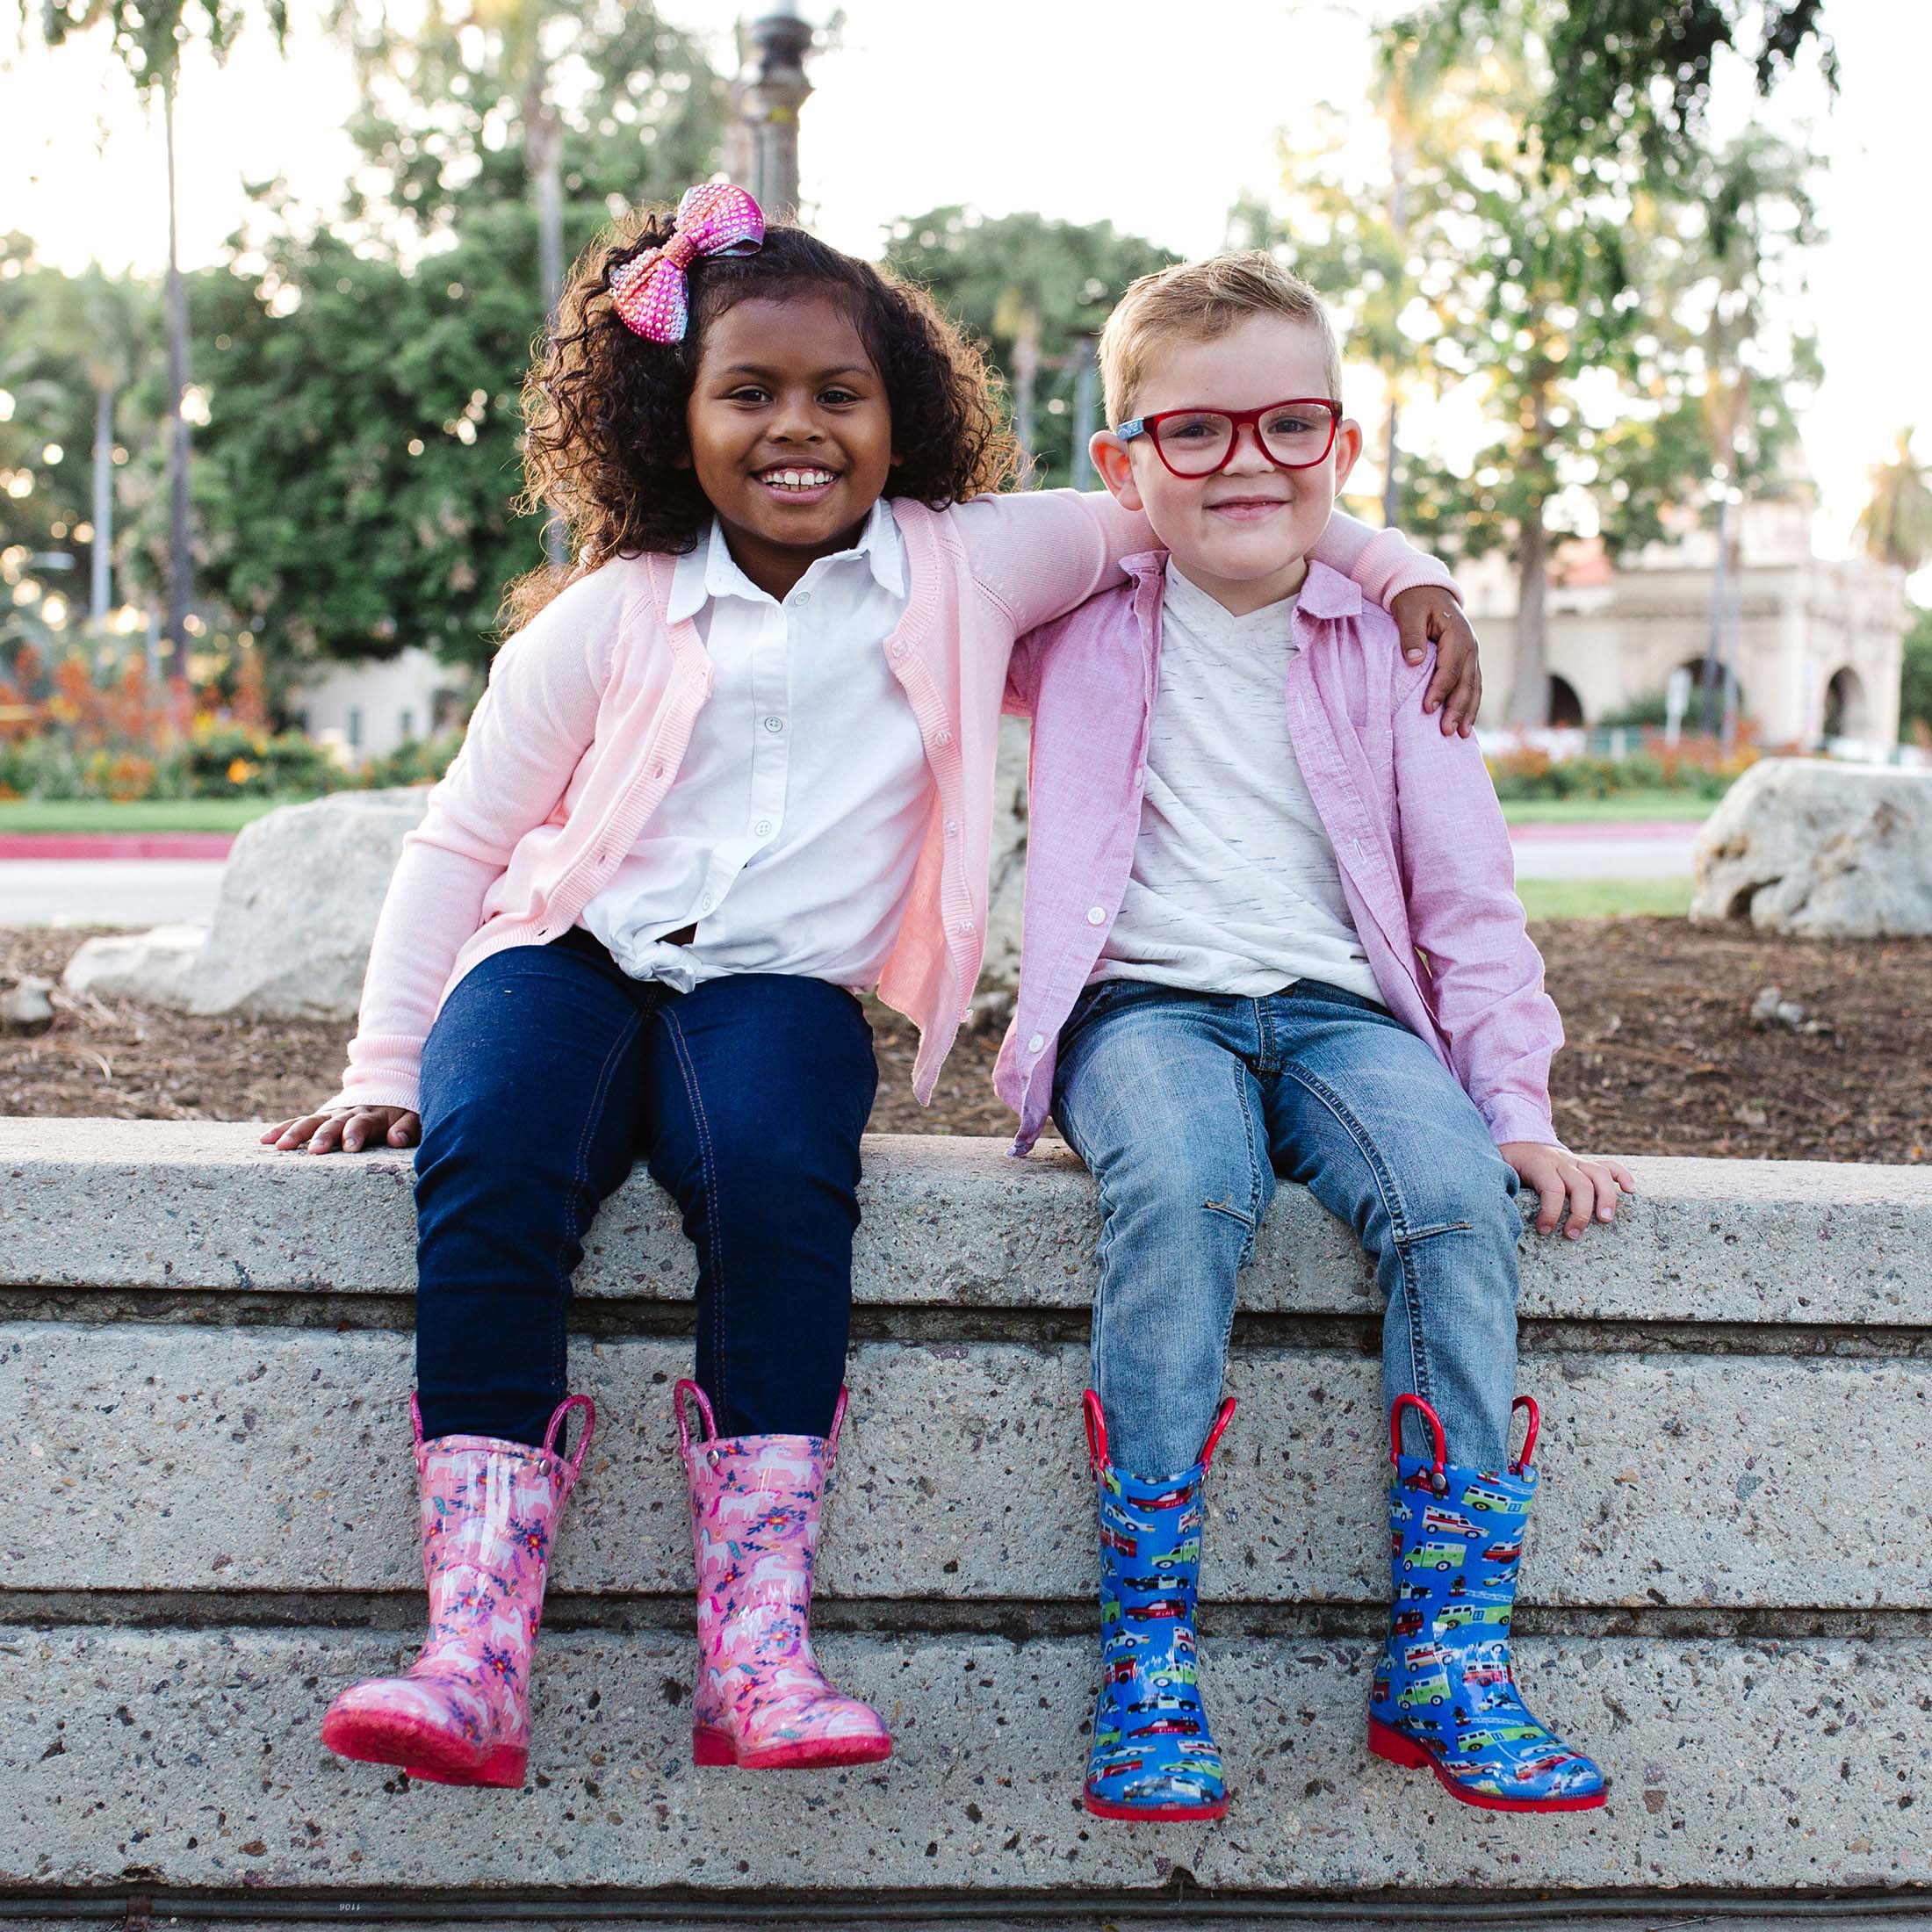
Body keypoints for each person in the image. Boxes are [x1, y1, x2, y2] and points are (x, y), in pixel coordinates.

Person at [263, 186, 1476, 1791]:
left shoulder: (966, 566)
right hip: (559, 953)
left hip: (777, 989)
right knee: (485, 1158)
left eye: (840, 395)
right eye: (745, 393)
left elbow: (1221, 492)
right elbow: (463, 839)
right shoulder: (609, 614)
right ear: (670, 419)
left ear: (901, 416)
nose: (796, 430)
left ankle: (757, 1648)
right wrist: (387, 1062)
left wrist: (1411, 577)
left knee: (777, 1175)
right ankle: (473, 1650)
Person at [998, 253, 1634, 1821]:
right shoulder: (1069, 614)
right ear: (1122, 462)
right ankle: (1148, 1650)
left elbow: (1472, 906)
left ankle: (1449, 1651)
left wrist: (1519, 1109)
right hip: (1141, 1007)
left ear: (1341, 445)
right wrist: (1391, 543)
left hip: (1347, 1015)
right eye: (1193, 433)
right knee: (1191, 1190)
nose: (1249, 465)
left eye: (1293, 428)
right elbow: (939, 551)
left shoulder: (1392, 646)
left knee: (1455, 1203)